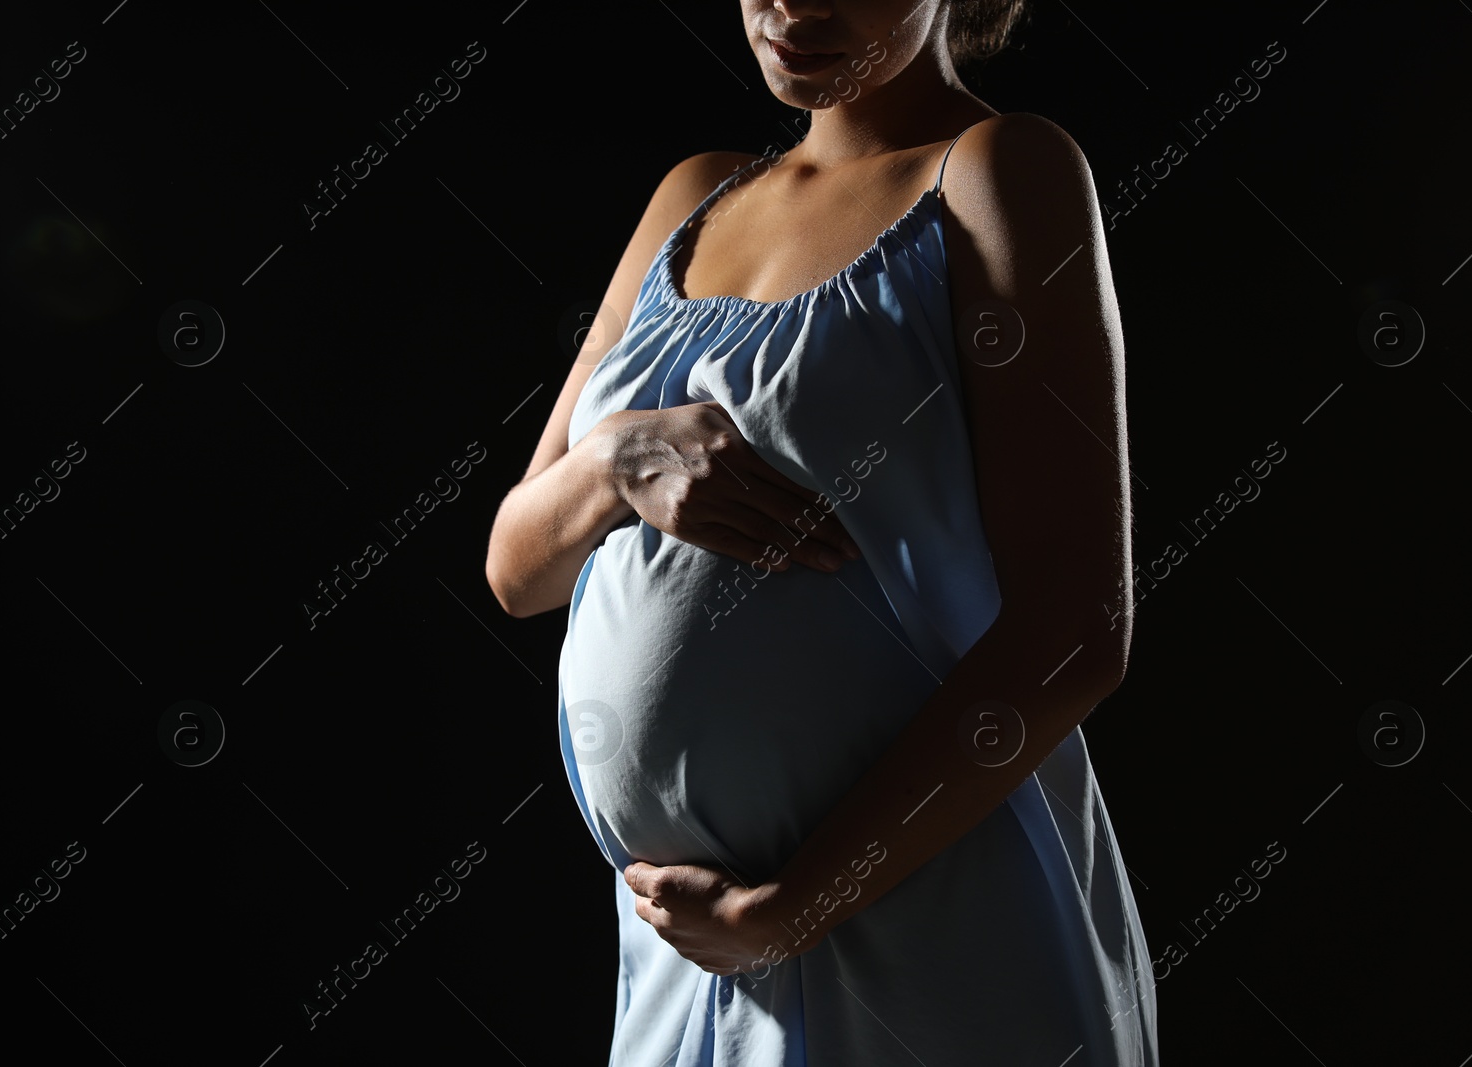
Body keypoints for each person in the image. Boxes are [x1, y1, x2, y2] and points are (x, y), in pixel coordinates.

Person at [485, 1, 1156, 1062]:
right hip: (691, 953)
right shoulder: (691, 197)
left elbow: (1078, 626)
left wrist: (796, 903)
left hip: (924, 909)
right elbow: (517, 568)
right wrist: (615, 462)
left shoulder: (996, 171)